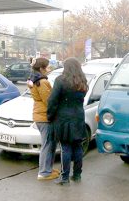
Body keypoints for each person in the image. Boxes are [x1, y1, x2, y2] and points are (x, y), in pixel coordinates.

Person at [47, 57, 88, 185]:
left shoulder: (60, 80)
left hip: (64, 118)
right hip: (79, 116)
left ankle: (64, 178)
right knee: (77, 146)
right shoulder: (83, 81)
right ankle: (77, 175)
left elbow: (53, 100)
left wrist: (50, 115)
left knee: (65, 147)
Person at [29, 58, 59, 181]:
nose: (49, 69)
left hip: (40, 115)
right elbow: (49, 101)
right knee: (47, 144)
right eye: (47, 67)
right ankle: (44, 172)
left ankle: (48, 168)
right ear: (41, 69)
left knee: (50, 144)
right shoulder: (42, 82)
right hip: (44, 116)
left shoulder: (34, 80)